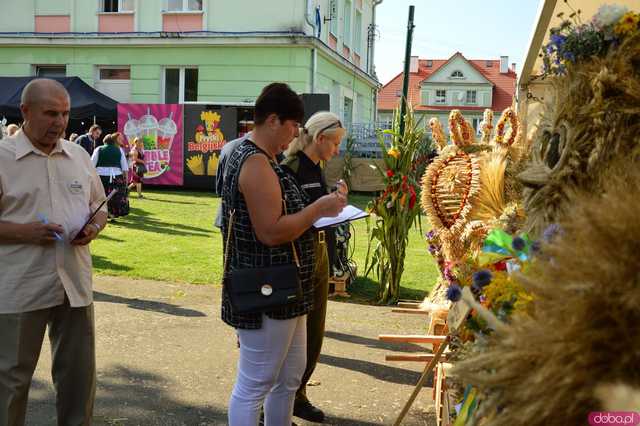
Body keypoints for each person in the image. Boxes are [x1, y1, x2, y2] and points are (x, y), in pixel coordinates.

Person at [222, 82, 346, 426]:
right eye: (293, 126)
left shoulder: (265, 159)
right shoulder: (255, 163)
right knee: (255, 383)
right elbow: (271, 232)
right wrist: (317, 209)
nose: (295, 135)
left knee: (288, 378)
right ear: (273, 120)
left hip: (286, 288)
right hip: (268, 289)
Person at [0, 78, 107, 426]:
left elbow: (99, 206)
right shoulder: (3, 159)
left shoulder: (77, 155)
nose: (59, 122)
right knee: (11, 383)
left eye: (64, 113)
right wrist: (25, 232)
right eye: (50, 113)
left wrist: (93, 227)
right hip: (19, 286)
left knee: (78, 380)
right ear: (25, 111)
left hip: (74, 284)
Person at [280, 111, 347, 423]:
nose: (336, 150)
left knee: (314, 332)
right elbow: (291, 215)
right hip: (298, 258)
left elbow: (317, 209)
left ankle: (299, 393)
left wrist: (336, 201)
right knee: (293, 336)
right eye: (334, 144)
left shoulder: (316, 167)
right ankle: (280, 400)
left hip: (318, 254)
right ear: (320, 138)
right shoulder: (290, 168)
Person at [91, 133, 129, 220]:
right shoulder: (119, 150)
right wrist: (126, 180)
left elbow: (91, 164)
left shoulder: (98, 149)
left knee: (100, 196)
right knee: (114, 197)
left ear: (104, 142)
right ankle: (112, 213)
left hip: (101, 176)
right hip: (116, 176)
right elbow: (125, 167)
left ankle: (100, 213)